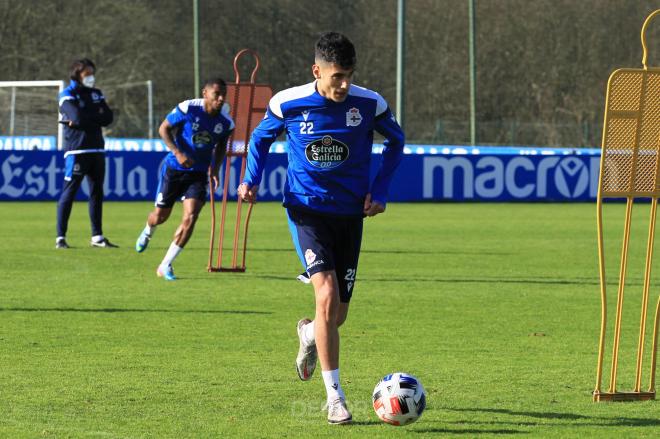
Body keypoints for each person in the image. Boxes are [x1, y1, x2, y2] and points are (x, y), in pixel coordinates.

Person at [238, 32, 405, 424]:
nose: (343, 85)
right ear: (317, 71)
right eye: (336, 77)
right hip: (306, 211)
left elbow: (396, 141)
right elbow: (259, 141)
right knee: (327, 295)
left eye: (348, 76)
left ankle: (309, 334)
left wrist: (379, 190)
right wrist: (250, 179)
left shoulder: (370, 102)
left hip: (350, 215)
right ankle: (335, 397)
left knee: (336, 316)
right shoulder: (288, 102)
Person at [135, 78, 234, 281]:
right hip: (174, 169)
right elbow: (163, 128)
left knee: (191, 216)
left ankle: (165, 264)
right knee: (160, 216)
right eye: (217, 94)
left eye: (224, 94)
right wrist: (178, 153)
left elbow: (222, 147)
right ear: (205, 93)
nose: (221, 98)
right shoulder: (188, 107)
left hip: (198, 174)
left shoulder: (226, 122)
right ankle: (148, 230)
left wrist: (214, 170)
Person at [56, 58, 116, 249]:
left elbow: (108, 118)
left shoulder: (97, 93)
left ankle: (97, 237)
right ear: (77, 75)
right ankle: (60, 237)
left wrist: (85, 119)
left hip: (97, 148)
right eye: (87, 74)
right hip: (77, 150)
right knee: (70, 192)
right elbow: (76, 117)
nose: (91, 77)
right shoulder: (67, 94)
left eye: (92, 73)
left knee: (97, 193)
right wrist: (91, 117)